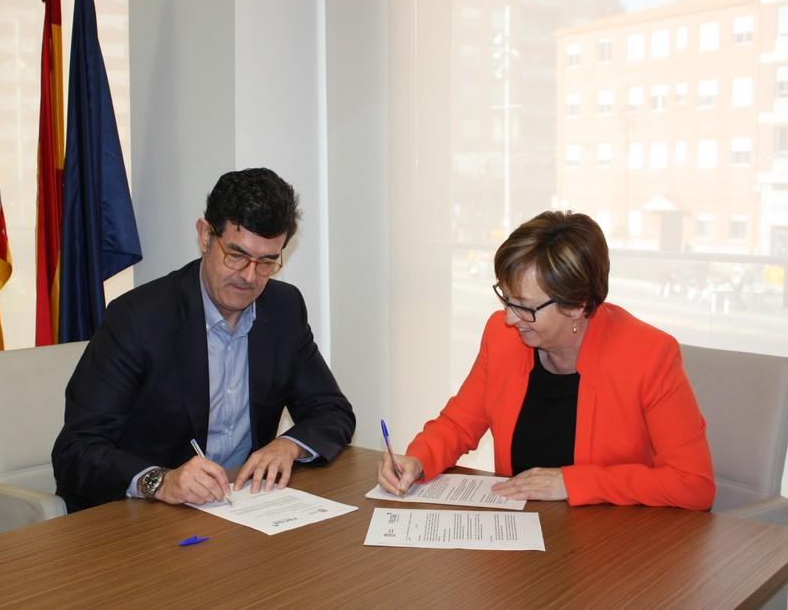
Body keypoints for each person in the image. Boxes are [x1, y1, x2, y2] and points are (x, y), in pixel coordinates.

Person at [53, 168, 355, 512]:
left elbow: (332, 412)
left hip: (240, 508)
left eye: (267, 261)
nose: (249, 276)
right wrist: (160, 481)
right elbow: (76, 449)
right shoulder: (137, 318)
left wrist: (288, 445)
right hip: (145, 515)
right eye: (236, 255)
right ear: (205, 236)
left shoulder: (283, 310)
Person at [377, 211, 715, 510]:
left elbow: (693, 484)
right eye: (506, 299)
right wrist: (418, 459)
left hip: (614, 543)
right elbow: (459, 424)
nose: (510, 318)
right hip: (517, 535)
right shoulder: (502, 337)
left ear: (577, 305)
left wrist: (571, 482)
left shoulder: (648, 356)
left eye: (525, 306)